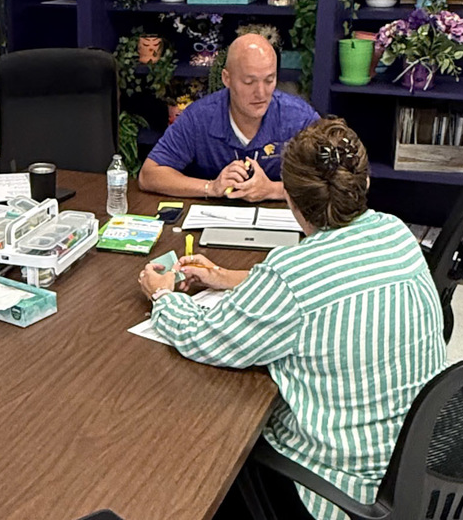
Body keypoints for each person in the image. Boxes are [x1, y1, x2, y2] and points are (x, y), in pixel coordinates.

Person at [137, 118, 446, 520]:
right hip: (416, 467)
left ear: (292, 201)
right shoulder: (396, 233)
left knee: (212, 450)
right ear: (364, 185)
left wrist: (162, 295)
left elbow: (206, 337)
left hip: (339, 492)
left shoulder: (292, 273)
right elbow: (334, 280)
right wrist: (229, 279)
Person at [139, 33, 318, 202]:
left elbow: (335, 181)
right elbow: (149, 175)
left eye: (269, 80)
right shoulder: (199, 117)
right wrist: (211, 187)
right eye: (249, 82)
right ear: (227, 78)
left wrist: (273, 190)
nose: (261, 93)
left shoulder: (299, 118)